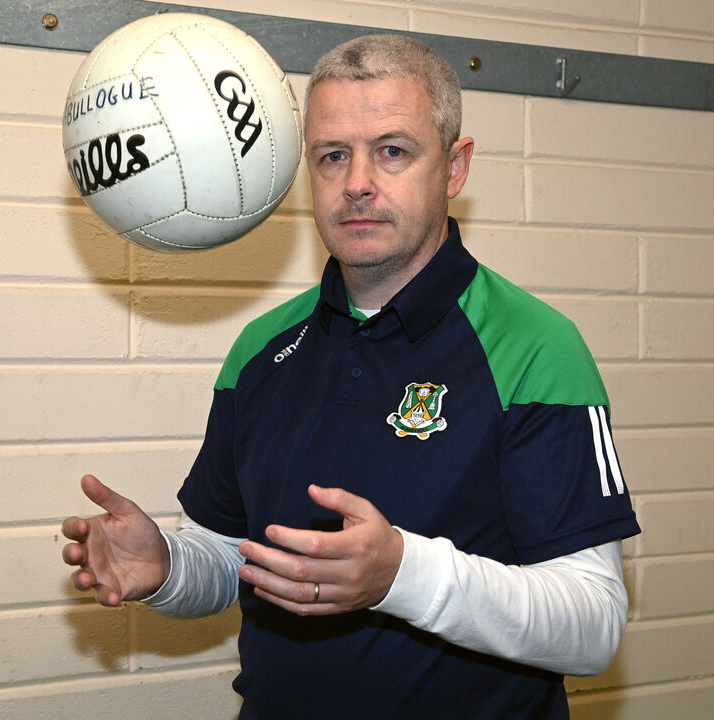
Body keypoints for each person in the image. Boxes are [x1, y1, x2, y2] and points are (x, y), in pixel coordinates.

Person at [62, 34, 640, 719]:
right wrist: (166, 565)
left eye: (392, 151)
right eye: (333, 155)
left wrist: (401, 573)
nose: (357, 182)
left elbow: (593, 625)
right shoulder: (260, 350)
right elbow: (231, 560)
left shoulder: (535, 346)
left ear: (455, 168)